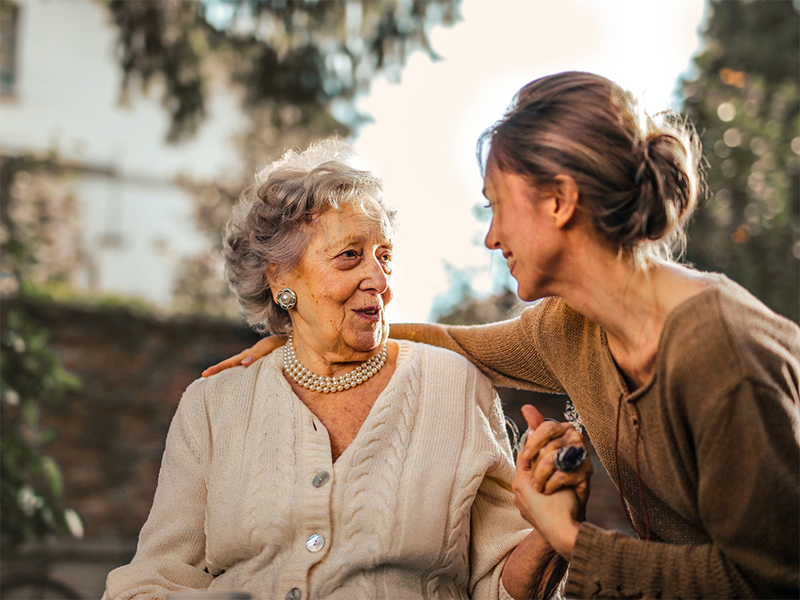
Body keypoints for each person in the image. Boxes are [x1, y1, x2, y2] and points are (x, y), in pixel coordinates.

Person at [204, 72, 800, 598]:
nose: (491, 238)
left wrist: (568, 536)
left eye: (496, 206)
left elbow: (769, 581)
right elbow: (455, 343)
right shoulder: (571, 328)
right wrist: (307, 339)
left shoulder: (721, 354)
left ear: (560, 201)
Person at [104, 140, 591, 600]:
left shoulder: (455, 386)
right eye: (350, 256)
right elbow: (154, 579)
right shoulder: (213, 405)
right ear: (280, 277)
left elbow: (500, 587)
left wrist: (551, 531)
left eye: (385, 257)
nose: (378, 280)